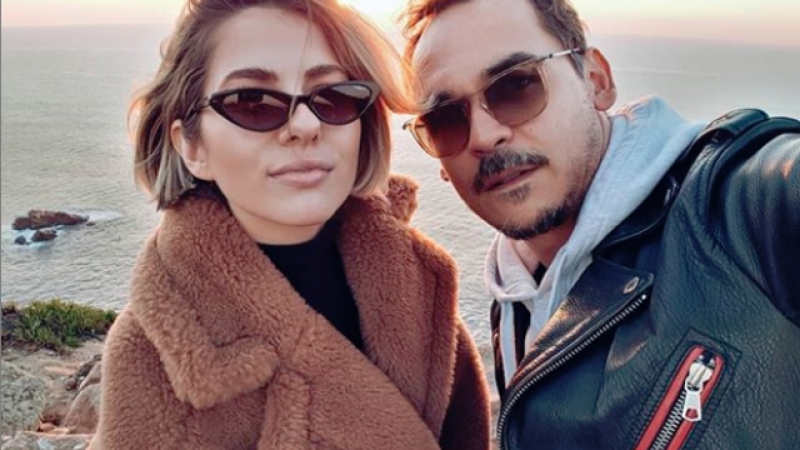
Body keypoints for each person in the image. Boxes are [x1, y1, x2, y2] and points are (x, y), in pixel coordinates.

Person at [90, 1, 491, 449]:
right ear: (192, 147)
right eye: (253, 102)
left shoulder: (417, 285)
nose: (305, 125)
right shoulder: (152, 355)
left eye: (334, 96)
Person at [400, 0, 800, 448]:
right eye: (446, 119)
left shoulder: (740, 204)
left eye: (516, 86)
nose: (483, 136)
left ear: (596, 81)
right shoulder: (515, 295)